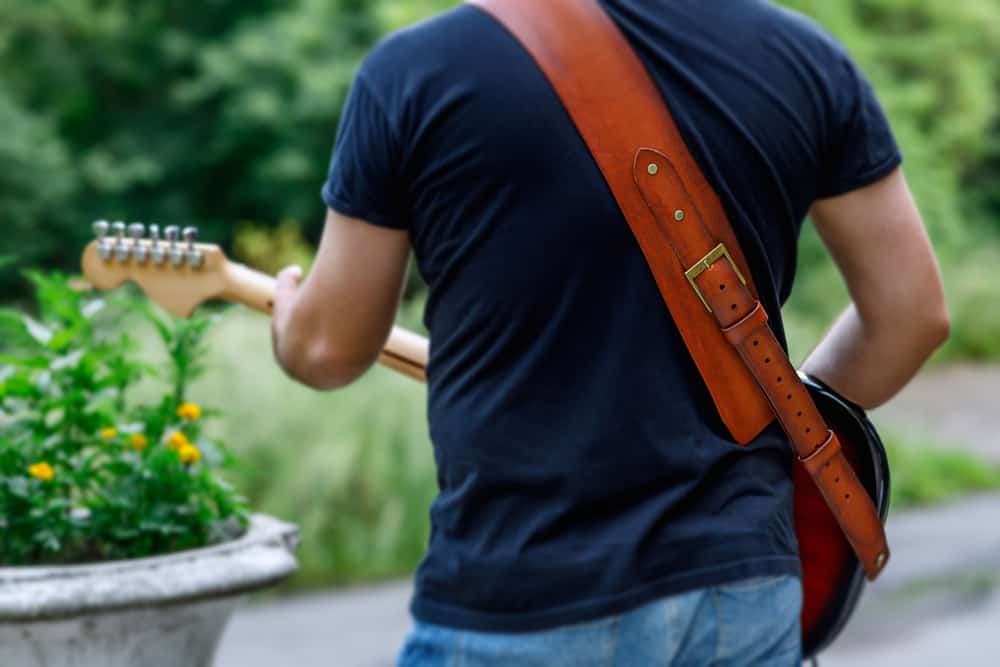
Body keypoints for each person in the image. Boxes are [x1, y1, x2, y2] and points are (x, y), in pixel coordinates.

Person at [270, 1, 949, 665]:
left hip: (524, 597)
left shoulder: (414, 72)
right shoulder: (804, 57)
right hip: (742, 593)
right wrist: (781, 402)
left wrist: (287, 312)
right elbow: (911, 318)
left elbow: (327, 350)